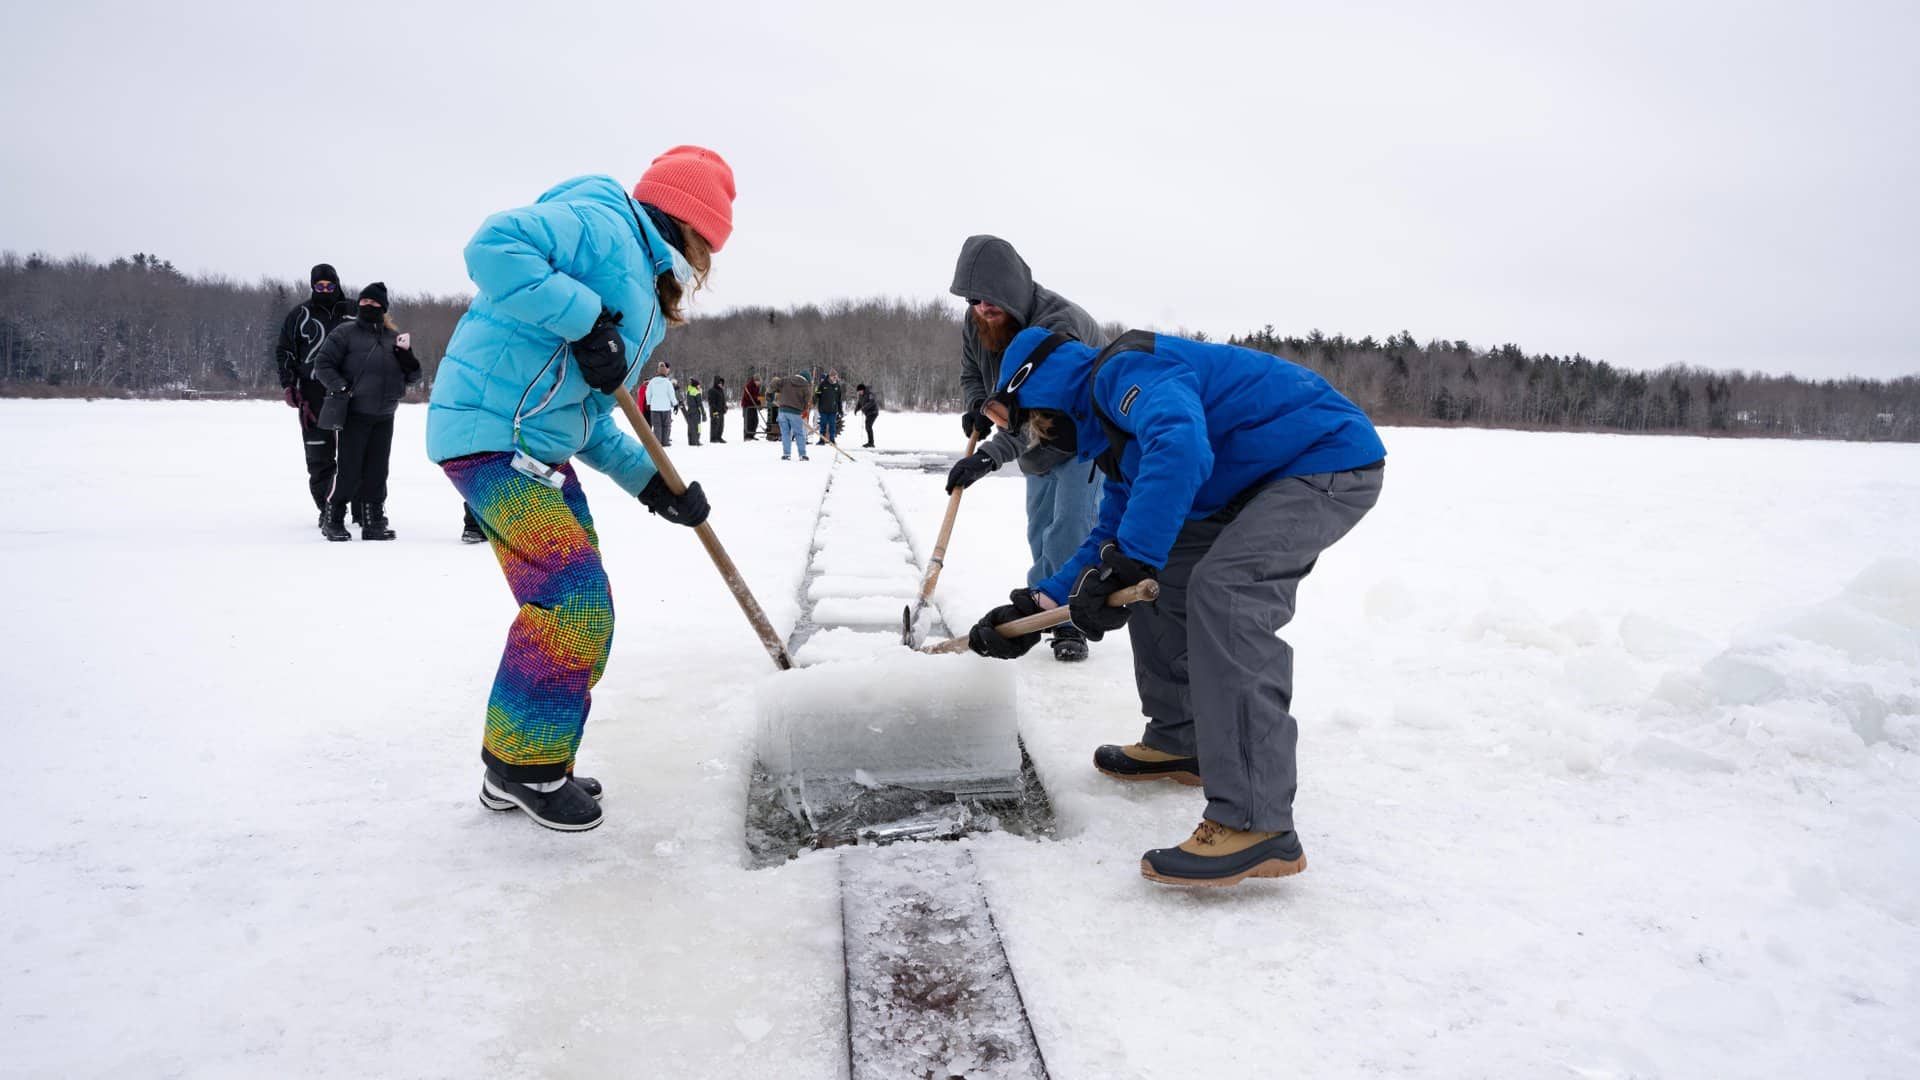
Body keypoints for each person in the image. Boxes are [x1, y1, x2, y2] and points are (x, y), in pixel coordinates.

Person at [966, 326, 1385, 887]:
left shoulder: (1121, 373)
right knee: (1152, 573)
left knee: (1227, 592)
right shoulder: (1115, 440)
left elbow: (1181, 443)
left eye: (1038, 421)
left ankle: (1258, 822)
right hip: (1248, 481)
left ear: (1043, 388)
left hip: (1322, 461)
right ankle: (1181, 738)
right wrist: (1031, 610)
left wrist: (1134, 558)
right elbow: (1110, 538)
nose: (1044, 436)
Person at [424, 147, 732, 832]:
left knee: (585, 610)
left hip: (538, 448)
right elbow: (493, 246)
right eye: (707, 246)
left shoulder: (645, 285)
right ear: (686, 224)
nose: (704, 267)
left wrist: (657, 487)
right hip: (491, 437)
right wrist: (587, 320)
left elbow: (589, 418)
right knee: (571, 604)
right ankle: (527, 768)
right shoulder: (601, 221)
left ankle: (521, 763)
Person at [945, 235, 1109, 662]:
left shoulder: (1060, 328)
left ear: (1012, 288)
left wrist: (989, 456)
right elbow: (971, 373)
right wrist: (979, 408)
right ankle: (1044, 609)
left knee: (1071, 529)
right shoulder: (977, 320)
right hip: (1036, 449)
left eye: (991, 298)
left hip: (1080, 438)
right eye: (974, 299)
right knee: (1041, 533)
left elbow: (1043, 415)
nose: (982, 307)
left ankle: (1070, 622)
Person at [310, 282, 421, 541]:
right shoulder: (345, 333)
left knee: (377, 471)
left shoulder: (393, 337)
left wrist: (406, 356)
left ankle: (373, 522)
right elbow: (323, 364)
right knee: (349, 470)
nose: (367, 306)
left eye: (373, 303)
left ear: (383, 307)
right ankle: (333, 518)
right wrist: (342, 387)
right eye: (364, 302)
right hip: (355, 412)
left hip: (385, 414)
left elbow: (414, 376)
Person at [274, 263, 356, 526]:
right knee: (319, 455)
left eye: (329, 286)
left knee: (357, 451)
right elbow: (284, 351)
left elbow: (381, 341)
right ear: (312, 286)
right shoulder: (299, 315)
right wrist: (289, 385)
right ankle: (327, 508)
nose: (325, 290)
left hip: (352, 391)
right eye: (319, 286)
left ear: (337, 284)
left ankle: (363, 507)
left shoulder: (355, 312)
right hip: (312, 392)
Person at [773, 368, 811, 460]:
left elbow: (775, 383)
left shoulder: (786, 380)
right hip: (795, 412)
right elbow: (806, 401)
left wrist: (769, 395)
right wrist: (804, 409)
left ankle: (786, 454)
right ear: (806, 379)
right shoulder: (805, 385)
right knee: (799, 433)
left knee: (785, 433)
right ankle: (802, 455)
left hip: (782, 411)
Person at [644, 361, 677, 446]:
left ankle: (657, 442)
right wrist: (675, 404)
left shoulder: (652, 382)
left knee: (657, 426)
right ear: (665, 372)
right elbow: (671, 394)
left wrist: (648, 403)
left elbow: (648, 393)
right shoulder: (667, 383)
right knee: (666, 425)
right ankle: (665, 441)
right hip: (666, 408)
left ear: (658, 371)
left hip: (655, 408)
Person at [814, 368, 845, 445]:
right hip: (823, 409)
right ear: (830, 376)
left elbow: (839, 399)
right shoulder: (823, 384)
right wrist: (815, 394)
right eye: (833, 376)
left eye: (836, 376)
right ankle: (822, 440)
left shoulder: (837, 386)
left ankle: (832, 439)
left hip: (833, 410)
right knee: (823, 425)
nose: (835, 378)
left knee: (832, 425)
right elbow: (817, 394)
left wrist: (840, 410)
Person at [855, 382, 880, 447]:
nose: (859, 393)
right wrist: (856, 409)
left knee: (868, 426)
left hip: (873, 412)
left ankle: (871, 443)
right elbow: (859, 403)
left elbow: (872, 402)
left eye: (860, 391)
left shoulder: (870, 393)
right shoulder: (861, 395)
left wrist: (864, 407)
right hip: (868, 413)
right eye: (858, 392)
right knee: (868, 426)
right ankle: (870, 442)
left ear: (863, 390)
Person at [740, 373, 763, 441]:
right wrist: (757, 399)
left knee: (755, 421)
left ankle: (752, 435)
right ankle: (747, 436)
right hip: (747, 406)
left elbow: (757, 396)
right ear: (755, 380)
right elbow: (748, 397)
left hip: (753, 406)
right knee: (748, 421)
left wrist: (759, 403)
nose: (759, 383)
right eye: (758, 381)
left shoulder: (757, 387)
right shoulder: (748, 386)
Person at [684, 377, 706, 445]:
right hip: (696, 412)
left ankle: (691, 441)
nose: (699, 386)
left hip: (689, 410)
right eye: (699, 385)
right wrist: (703, 414)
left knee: (690, 426)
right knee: (697, 426)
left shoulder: (689, 391)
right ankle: (696, 441)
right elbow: (700, 404)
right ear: (696, 385)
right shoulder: (696, 392)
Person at [709, 376, 728, 443]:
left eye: (722, 383)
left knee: (721, 425)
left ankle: (719, 437)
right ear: (716, 382)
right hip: (715, 411)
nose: (721, 384)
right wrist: (714, 411)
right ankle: (713, 438)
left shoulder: (721, 390)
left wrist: (725, 407)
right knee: (715, 425)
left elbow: (723, 400)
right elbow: (711, 402)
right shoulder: (712, 390)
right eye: (719, 383)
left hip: (721, 411)